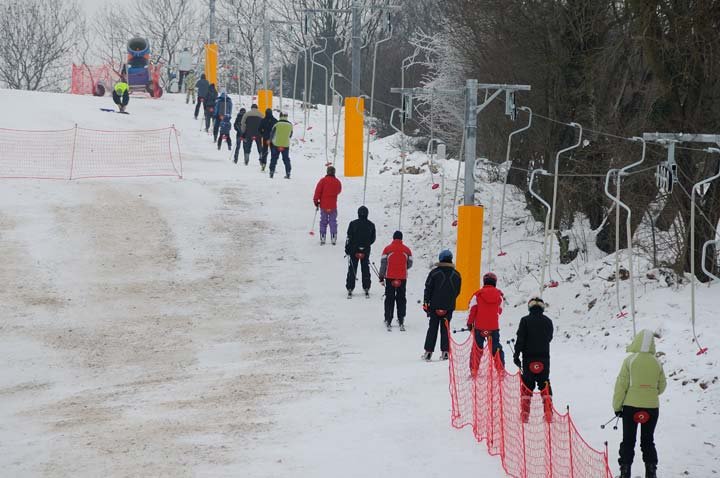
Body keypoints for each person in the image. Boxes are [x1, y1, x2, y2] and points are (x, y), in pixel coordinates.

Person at [613, 329, 666, 478]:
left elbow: (621, 385)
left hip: (631, 407)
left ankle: (624, 472)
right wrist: (649, 393)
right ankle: (651, 472)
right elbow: (662, 386)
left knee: (628, 440)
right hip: (652, 408)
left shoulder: (630, 360)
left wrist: (617, 406)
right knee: (648, 440)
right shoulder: (657, 362)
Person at [513, 296, 554, 423]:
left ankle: (525, 414)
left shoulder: (524, 320)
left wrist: (516, 355)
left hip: (528, 359)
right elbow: (549, 338)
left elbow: (520, 339)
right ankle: (548, 413)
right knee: (545, 384)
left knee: (527, 386)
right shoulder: (548, 321)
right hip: (544, 358)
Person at [422, 249, 462, 361]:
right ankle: (445, 352)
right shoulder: (457, 275)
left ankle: (428, 352)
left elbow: (428, 288)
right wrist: (450, 300)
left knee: (432, 328)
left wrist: (426, 302)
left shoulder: (434, 273)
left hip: (434, 306)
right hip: (449, 307)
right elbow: (457, 291)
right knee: (445, 328)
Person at [467, 272, 506, 374]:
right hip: (493, 327)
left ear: (484, 282)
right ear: (495, 282)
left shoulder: (478, 294)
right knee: (496, 347)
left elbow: (473, 309)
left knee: (477, 348)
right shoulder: (499, 296)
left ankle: (474, 369)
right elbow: (500, 311)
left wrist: (470, 323)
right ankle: (500, 369)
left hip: (479, 327)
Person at [378, 231, 413, 331]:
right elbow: (410, 264)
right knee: (401, 298)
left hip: (390, 277)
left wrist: (381, 276)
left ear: (393, 238)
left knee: (390, 298)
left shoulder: (387, 249)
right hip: (402, 277)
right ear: (401, 239)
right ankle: (401, 319)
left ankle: (388, 318)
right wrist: (403, 268)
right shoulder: (407, 250)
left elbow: (383, 264)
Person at [344, 206, 376, 298]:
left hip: (354, 249)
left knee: (352, 268)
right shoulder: (371, 225)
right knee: (365, 268)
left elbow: (349, 237)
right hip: (365, 249)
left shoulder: (353, 224)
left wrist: (348, 248)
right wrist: (367, 244)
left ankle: (350, 286)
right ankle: (366, 286)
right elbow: (373, 238)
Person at [313, 166, 342, 245]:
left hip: (323, 205)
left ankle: (323, 237)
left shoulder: (322, 181)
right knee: (333, 221)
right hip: (333, 205)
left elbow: (317, 192)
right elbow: (339, 190)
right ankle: (333, 236)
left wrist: (316, 201)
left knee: (323, 221)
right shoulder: (337, 181)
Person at [269, 112, 293, 179]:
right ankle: (288, 173)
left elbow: (272, 133)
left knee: (274, 158)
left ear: (280, 116)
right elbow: (290, 135)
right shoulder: (290, 125)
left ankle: (271, 171)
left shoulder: (277, 124)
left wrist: (270, 140)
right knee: (286, 159)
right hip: (285, 144)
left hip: (276, 144)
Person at [240, 104, 264, 169]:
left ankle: (246, 159)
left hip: (249, 133)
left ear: (251, 108)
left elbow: (243, 124)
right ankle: (262, 158)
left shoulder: (247, 114)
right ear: (257, 108)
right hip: (258, 133)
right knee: (259, 146)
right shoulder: (261, 114)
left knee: (247, 146)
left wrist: (243, 132)